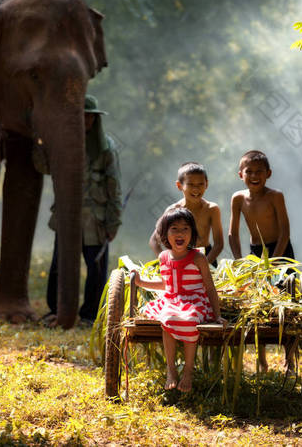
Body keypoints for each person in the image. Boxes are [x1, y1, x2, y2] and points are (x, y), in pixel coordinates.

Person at [44, 95, 122, 327]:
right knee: (60, 264)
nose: (86, 121)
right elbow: (43, 166)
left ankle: (90, 314)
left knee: (96, 267)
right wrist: (42, 143)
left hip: (95, 220)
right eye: (82, 116)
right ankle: (55, 309)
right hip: (67, 216)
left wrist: (113, 222)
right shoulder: (62, 144)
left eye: (90, 117)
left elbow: (114, 187)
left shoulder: (107, 148)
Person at [132, 208, 226, 392]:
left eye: (185, 229)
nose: (180, 233)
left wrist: (217, 315)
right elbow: (165, 284)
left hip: (194, 302)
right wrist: (141, 282)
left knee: (190, 319)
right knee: (167, 318)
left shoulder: (198, 258)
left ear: (192, 233)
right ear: (165, 234)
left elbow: (209, 287)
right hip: (172, 301)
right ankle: (171, 370)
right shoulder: (163, 257)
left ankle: (188, 371)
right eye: (174, 228)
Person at [228, 150, 295, 371]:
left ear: (268, 174)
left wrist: (274, 261)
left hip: (280, 250)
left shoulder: (275, 196)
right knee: (257, 305)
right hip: (255, 253)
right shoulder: (238, 199)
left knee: (288, 302)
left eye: (259, 172)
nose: (254, 176)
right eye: (249, 171)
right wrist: (239, 261)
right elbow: (233, 234)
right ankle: (262, 359)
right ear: (240, 174)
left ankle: (289, 358)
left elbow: (285, 231)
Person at [149, 162, 223, 266]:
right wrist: (166, 262)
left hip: (206, 257)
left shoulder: (212, 209)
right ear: (179, 185)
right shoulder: (173, 210)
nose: (196, 189)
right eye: (190, 184)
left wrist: (204, 265)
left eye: (200, 184)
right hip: (180, 257)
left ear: (206, 184)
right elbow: (154, 241)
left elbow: (219, 244)